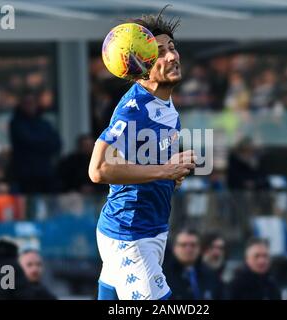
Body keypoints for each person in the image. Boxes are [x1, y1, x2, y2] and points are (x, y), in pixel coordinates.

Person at [89, 7, 196, 300]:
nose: (172, 56)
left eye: (172, 48)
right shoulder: (133, 109)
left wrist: (169, 175)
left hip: (148, 228)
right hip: (131, 234)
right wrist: (164, 171)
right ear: (142, 63)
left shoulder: (166, 105)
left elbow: (145, 160)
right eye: (160, 52)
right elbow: (98, 169)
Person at [9, 90, 61, 194]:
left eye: (32, 103)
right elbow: (28, 142)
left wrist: (40, 143)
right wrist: (44, 142)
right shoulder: (16, 123)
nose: (30, 106)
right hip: (25, 174)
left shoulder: (44, 123)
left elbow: (57, 143)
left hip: (45, 171)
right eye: (27, 103)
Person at [163, 229, 223, 300]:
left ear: (199, 248)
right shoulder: (163, 277)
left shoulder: (211, 276)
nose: (189, 249)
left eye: (193, 245)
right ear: (174, 248)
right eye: (183, 245)